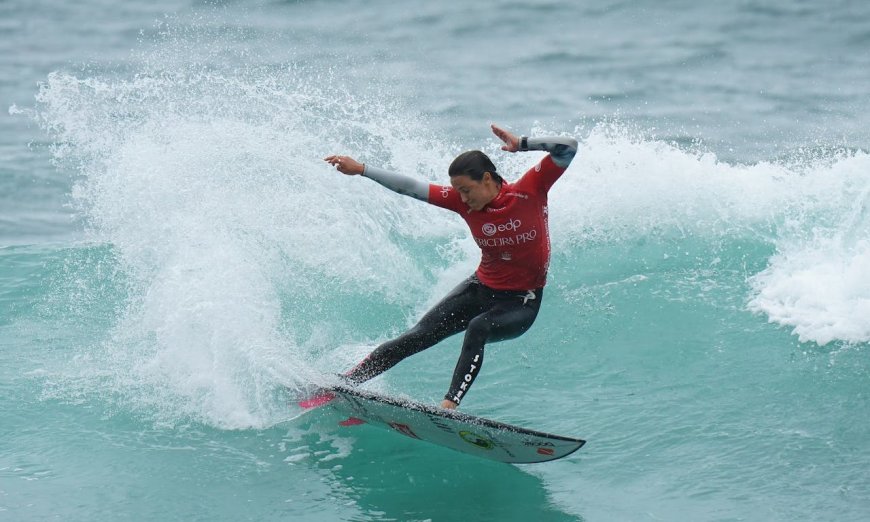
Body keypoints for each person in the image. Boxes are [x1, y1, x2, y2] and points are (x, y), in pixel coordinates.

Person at [324, 124, 577, 409]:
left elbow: (567, 146)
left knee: (478, 328)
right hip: (480, 288)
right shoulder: (462, 201)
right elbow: (410, 187)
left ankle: (448, 407)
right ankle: (344, 385)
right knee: (416, 336)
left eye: (467, 191)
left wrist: (522, 143)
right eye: (459, 193)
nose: (464, 199)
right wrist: (362, 169)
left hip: (521, 301)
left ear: (486, 179)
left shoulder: (530, 190)